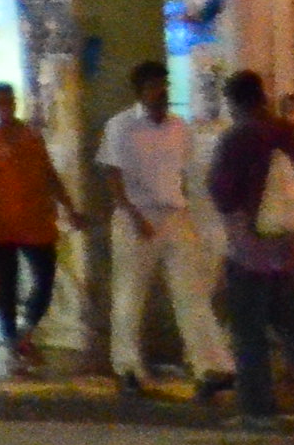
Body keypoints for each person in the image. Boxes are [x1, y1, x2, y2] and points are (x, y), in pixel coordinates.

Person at [95, 58, 230, 401]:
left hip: (174, 215)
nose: (162, 92)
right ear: (140, 91)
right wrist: (131, 213)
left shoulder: (179, 127)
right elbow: (112, 174)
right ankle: (127, 367)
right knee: (129, 295)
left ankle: (209, 367)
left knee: (191, 293)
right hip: (135, 218)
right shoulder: (121, 126)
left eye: (165, 86)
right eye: (155, 87)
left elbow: (185, 175)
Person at [204, 69, 294, 432]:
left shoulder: (237, 139)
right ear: (263, 97)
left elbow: (222, 193)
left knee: (248, 329)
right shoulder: (293, 134)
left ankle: (257, 409)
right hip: (293, 248)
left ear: (235, 102)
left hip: (251, 251)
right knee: (292, 320)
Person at [0, 82, 64, 372]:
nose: (7, 107)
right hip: (1, 223)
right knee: (7, 284)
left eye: (10, 101)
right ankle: (12, 337)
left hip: (36, 222)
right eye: (0, 102)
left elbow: (49, 174)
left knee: (45, 278)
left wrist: (69, 206)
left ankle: (28, 329)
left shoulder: (31, 136)